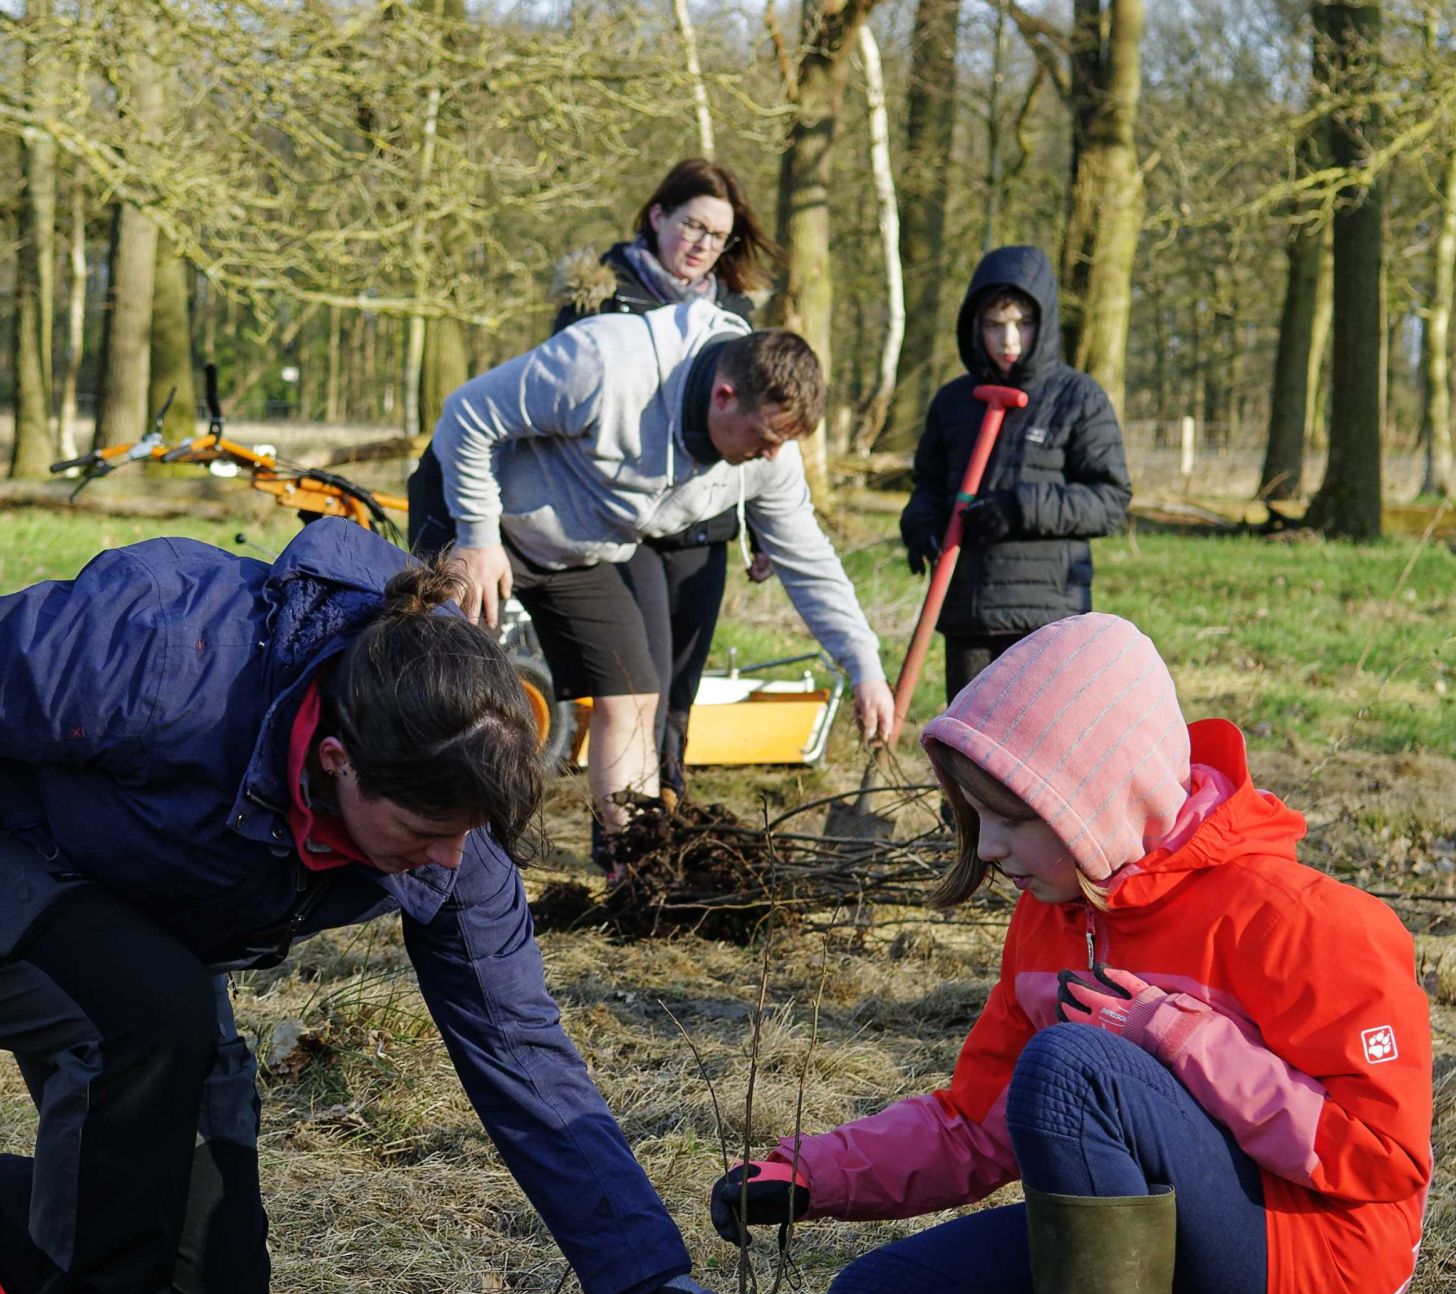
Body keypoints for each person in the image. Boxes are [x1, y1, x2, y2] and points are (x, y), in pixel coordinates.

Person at [0, 519, 777, 1294]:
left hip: (119, 918)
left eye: (460, 842)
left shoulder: (447, 843)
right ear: (331, 761)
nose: (442, 865)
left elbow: (523, 1054)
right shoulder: (166, 646)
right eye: (418, 836)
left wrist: (650, 1275)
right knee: (154, 1019)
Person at [710, 616, 1432, 1294]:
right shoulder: (1054, 919)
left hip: (1301, 1271)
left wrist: (1182, 1038)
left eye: (1012, 818)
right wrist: (810, 1174)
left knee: (1074, 1062)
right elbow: (975, 1125)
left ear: (1102, 797)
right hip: (1145, 1269)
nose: (987, 848)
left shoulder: (1304, 919)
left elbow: (1385, 1158)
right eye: (975, 818)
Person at [409, 307, 897, 867]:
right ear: (725, 395)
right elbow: (468, 414)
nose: (772, 456)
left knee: (635, 696)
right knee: (440, 679)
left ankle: (635, 871)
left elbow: (808, 557)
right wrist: (476, 535)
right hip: (476, 514)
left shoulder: (769, 460)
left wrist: (863, 664)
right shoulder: (607, 364)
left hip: (580, 547)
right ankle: (416, 844)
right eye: (765, 438)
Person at [551, 158, 785, 796]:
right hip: (626, 526)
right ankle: (626, 843)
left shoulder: (736, 312)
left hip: (704, 529)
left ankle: (670, 817)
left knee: (680, 691)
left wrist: (763, 527)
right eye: (693, 227)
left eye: (719, 237)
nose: (703, 247)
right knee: (637, 686)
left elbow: (757, 423)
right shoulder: (601, 296)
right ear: (658, 216)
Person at [899, 245, 1131, 699]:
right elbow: (927, 484)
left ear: (1042, 324)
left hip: (1046, 615)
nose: (1009, 340)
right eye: (994, 325)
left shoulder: (1077, 397)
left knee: (1035, 751)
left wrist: (1019, 507)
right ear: (973, 326)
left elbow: (1109, 500)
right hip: (967, 606)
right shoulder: (952, 402)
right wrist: (920, 523)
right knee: (969, 743)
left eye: (1022, 324)